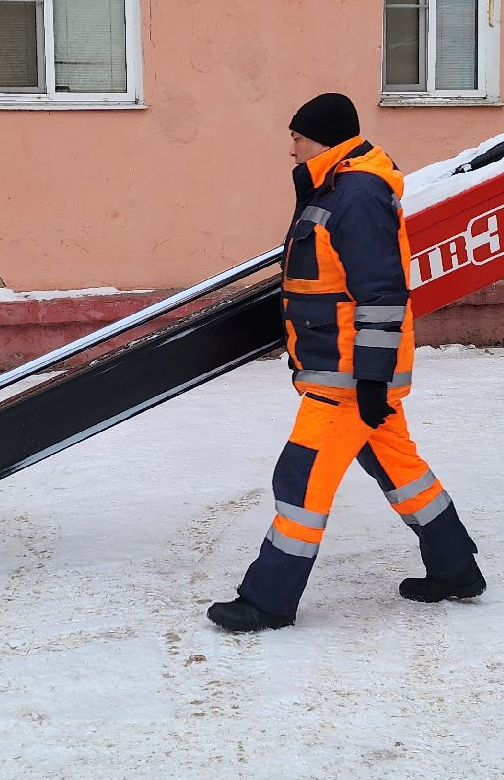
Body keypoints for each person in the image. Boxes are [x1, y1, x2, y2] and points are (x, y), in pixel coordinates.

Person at [207, 92, 484, 633]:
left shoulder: (355, 192)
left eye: (297, 137)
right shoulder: (338, 187)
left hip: (349, 379)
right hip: (351, 372)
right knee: (403, 472)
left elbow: (381, 292)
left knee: (301, 482)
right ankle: (455, 570)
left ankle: (267, 600)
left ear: (323, 138)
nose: (290, 149)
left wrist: (373, 378)